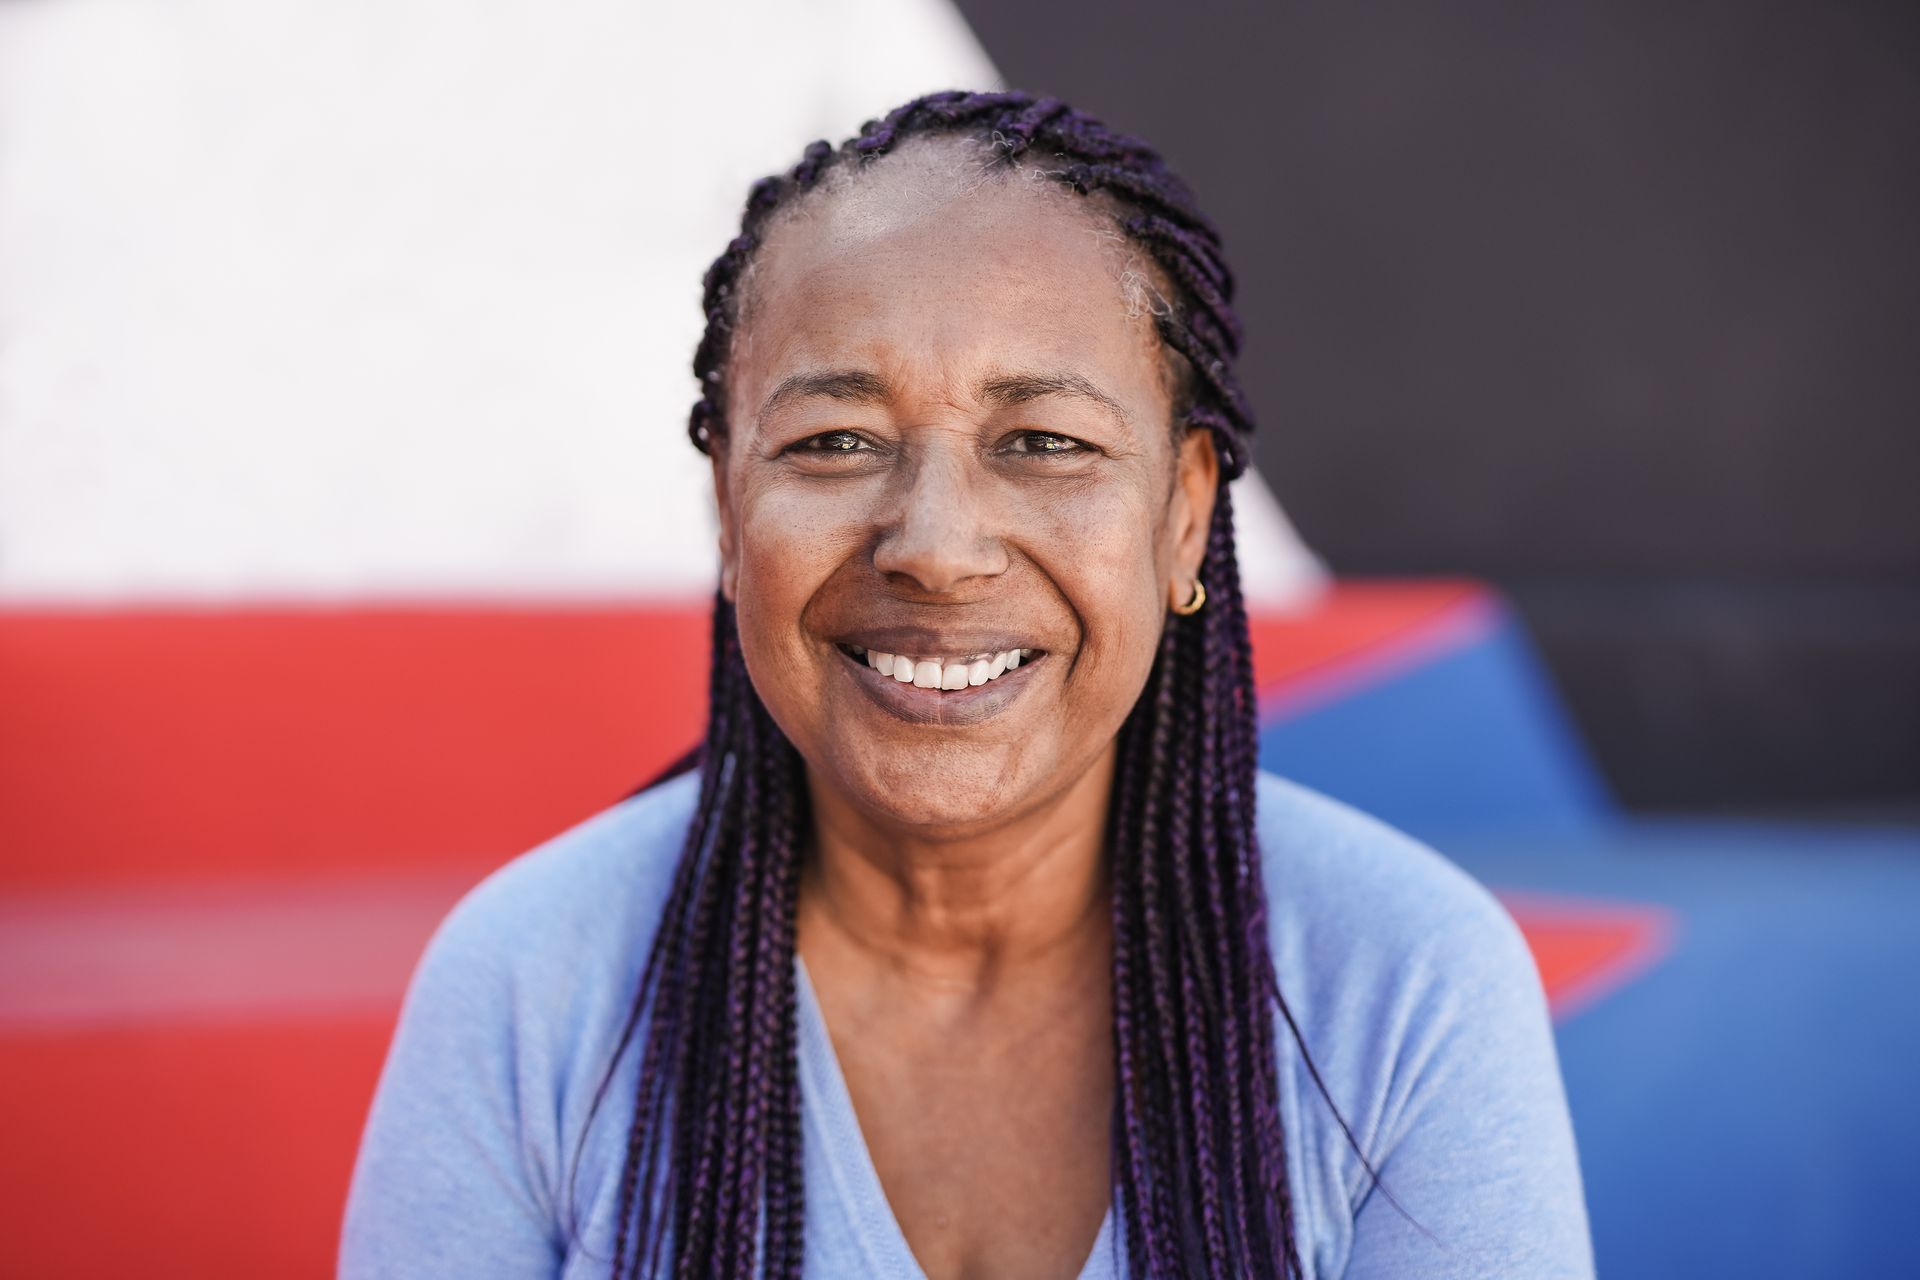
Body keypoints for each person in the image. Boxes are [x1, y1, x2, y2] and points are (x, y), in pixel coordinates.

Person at [339, 90, 1593, 1279]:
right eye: (836, 441)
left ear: (1181, 516)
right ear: (726, 503)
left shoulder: (1402, 990)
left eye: (1044, 441)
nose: (935, 546)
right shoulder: (533, 987)